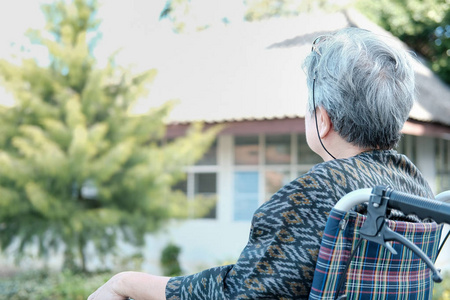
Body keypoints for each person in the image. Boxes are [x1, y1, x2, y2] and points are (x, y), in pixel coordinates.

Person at [88, 27, 433, 300]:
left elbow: (240, 294)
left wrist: (125, 282)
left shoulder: (319, 194)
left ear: (323, 119)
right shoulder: (416, 188)